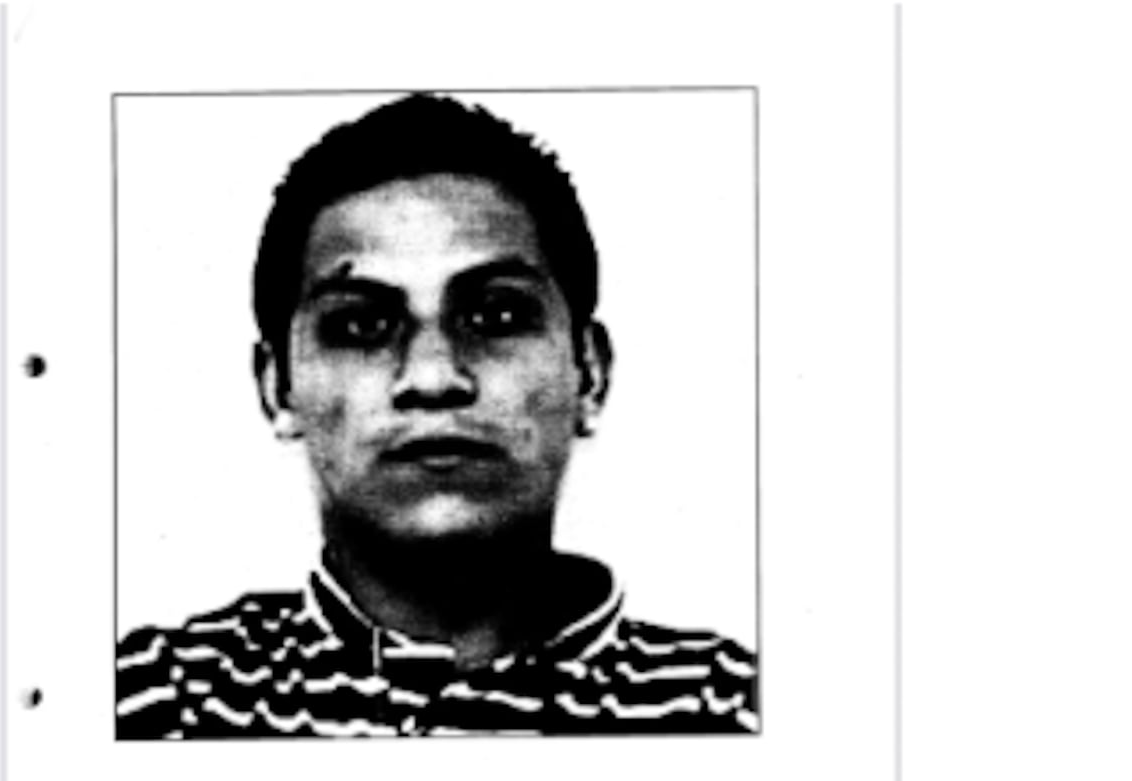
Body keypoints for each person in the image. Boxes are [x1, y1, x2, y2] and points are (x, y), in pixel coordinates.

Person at [116, 93, 757, 738]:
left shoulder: (731, 709)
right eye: (361, 325)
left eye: (497, 315)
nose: (433, 377)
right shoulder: (156, 700)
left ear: (589, 373)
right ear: (278, 387)